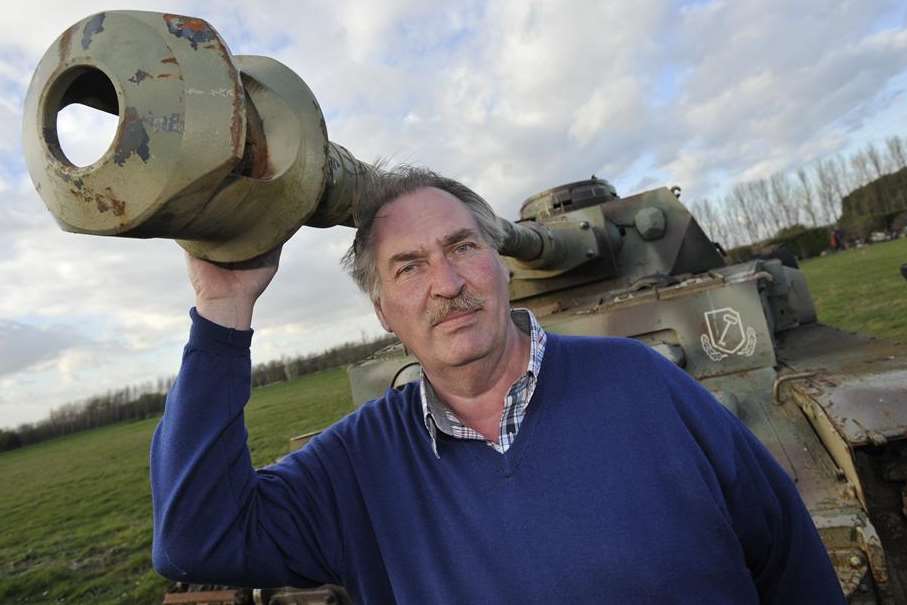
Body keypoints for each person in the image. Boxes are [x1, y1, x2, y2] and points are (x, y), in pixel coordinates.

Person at [151, 167, 845, 604]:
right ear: (383, 311)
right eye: (408, 266)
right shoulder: (356, 467)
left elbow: (783, 548)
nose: (447, 284)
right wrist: (223, 308)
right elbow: (195, 539)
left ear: (501, 265)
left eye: (461, 247)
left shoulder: (641, 382)